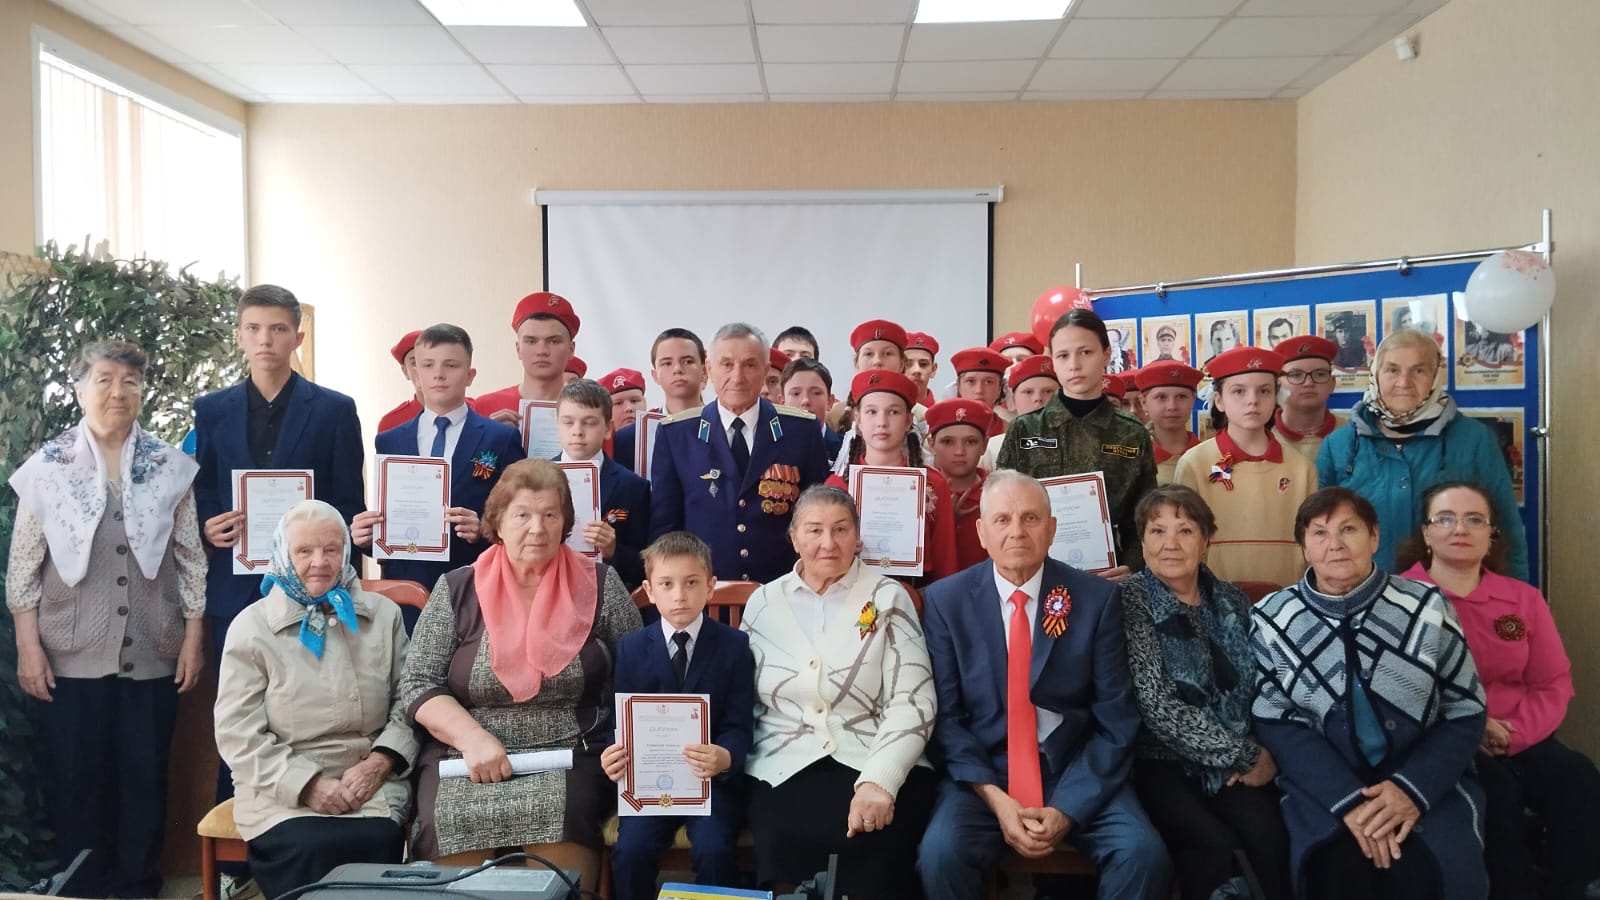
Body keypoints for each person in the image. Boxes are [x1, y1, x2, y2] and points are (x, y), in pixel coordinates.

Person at [8, 340, 206, 899]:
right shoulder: (47, 468)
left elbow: (191, 558)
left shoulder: (170, 467)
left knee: (145, 778)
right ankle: (83, 889)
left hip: (155, 646)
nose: (118, 392)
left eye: (130, 381)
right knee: (77, 781)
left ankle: (139, 887)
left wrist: (192, 638)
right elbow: (23, 566)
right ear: (80, 390)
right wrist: (28, 647)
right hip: (67, 653)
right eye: (104, 380)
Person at [918, 470, 1170, 900]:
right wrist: (995, 799)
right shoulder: (946, 601)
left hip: (1075, 768)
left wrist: (1067, 809)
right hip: (985, 775)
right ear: (981, 533)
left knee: (1143, 855)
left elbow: (1115, 717)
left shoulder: (1095, 599)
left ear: (1052, 529)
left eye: (1031, 518)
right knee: (941, 855)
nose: (1017, 531)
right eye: (1002, 520)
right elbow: (948, 720)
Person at [396, 458, 644, 887]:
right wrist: (472, 739)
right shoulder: (457, 588)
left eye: (550, 515)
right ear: (497, 521)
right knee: (447, 820)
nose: (537, 529)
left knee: (565, 820)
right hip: (464, 756)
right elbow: (418, 682)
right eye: (522, 515)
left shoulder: (601, 584)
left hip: (571, 753)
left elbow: (641, 669)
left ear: (565, 522)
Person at [193, 284, 367, 860]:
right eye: (253, 328)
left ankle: (322, 832)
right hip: (236, 585)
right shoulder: (211, 410)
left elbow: (347, 503)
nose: (265, 339)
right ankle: (243, 845)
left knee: (312, 703)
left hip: (313, 590)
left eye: (277, 329)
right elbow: (203, 491)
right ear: (239, 336)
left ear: (298, 336)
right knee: (240, 711)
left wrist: (342, 584)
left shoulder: (334, 409)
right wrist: (210, 524)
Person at [1251, 487, 1487, 900]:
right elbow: (1276, 720)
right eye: (1319, 533)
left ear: (1374, 537)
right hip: (1325, 787)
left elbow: (1466, 709)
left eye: (1349, 529)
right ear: (1304, 546)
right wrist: (1349, 802)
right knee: (1335, 872)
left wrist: (1410, 791)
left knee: (1424, 873)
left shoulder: (1426, 606)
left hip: (1423, 779)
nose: (1335, 544)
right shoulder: (1273, 618)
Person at [1396, 482, 1600, 900]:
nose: (1460, 529)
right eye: (1445, 519)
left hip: (1518, 735)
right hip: (1441, 740)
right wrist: (1472, 728)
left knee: (1578, 779)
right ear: (1426, 532)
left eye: (1474, 519)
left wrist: (1515, 735)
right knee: (1498, 802)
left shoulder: (1522, 599)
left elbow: (1552, 682)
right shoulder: (1397, 599)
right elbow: (1398, 688)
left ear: (1492, 534)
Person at [214, 500, 417, 900]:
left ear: (346, 552)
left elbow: (409, 703)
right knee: (309, 846)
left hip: (368, 782)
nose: (320, 562)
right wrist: (306, 785)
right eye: (304, 551)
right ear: (282, 555)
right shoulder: (251, 627)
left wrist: (380, 763)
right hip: (281, 790)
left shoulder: (384, 616)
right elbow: (238, 732)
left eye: (331, 549)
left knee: (376, 840)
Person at [742, 486, 937, 898]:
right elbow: (742, 696)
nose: (828, 543)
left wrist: (881, 781)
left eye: (841, 529)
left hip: (872, 753)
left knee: (877, 837)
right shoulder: (763, 602)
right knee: (783, 833)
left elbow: (914, 701)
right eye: (814, 530)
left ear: (858, 537)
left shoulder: (887, 597)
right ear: (794, 538)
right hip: (783, 762)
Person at [1121, 486, 1291, 900]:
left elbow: (1264, 682)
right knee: (1210, 844)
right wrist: (1244, 755)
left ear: (1206, 540)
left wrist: (1253, 751)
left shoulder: (1231, 599)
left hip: (1235, 751)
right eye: (1157, 531)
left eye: (1185, 530)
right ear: (1142, 543)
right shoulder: (1130, 600)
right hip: (1161, 760)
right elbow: (1157, 706)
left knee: (1268, 832)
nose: (1171, 543)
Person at [601, 532, 754, 900]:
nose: (679, 595)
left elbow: (739, 723)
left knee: (714, 848)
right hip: (648, 787)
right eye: (667, 584)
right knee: (631, 850)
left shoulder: (734, 646)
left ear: (710, 586)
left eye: (691, 583)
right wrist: (613, 752)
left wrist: (725, 756)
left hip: (710, 785)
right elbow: (621, 720)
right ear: (649, 590)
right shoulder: (632, 648)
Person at [1317, 327, 1528, 578]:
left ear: (1435, 376)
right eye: (1392, 370)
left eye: (1418, 371)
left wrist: (1514, 599)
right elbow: (1318, 532)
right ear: (1375, 374)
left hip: (1452, 594)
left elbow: (1507, 532)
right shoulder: (1339, 444)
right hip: (1363, 591)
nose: (1404, 383)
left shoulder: (1475, 440)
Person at [355, 324, 527, 629]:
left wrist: (485, 530)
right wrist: (367, 537)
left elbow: (521, 515)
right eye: (428, 365)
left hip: (476, 589)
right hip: (408, 591)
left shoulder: (500, 439)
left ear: (470, 375)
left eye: (451, 365)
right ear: (415, 373)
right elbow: (388, 522)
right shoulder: (390, 440)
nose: (438, 375)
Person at [649, 323, 828, 583]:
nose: (737, 376)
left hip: (783, 590)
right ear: (709, 369)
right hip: (705, 592)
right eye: (726, 365)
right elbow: (665, 530)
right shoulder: (677, 434)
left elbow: (819, 516)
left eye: (749, 365)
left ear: (766, 370)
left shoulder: (800, 430)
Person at [999, 309, 1155, 576]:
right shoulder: (1025, 430)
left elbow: (1145, 515)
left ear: (1106, 354)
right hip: (1035, 572)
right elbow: (1001, 508)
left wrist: (1132, 566)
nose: (1074, 364)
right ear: (1052, 361)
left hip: (1110, 576)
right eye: (1063, 355)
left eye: (1085, 352)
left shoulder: (1131, 433)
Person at [1175, 346, 1317, 588]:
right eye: (1238, 391)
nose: (1252, 400)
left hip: (1287, 599)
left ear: (1276, 397)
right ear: (1219, 400)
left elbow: (1312, 542)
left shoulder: (1301, 468)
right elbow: (1182, 540)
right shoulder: (1194, 463)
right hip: (1214, 597)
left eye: (1264, 391)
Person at [826, 370, 959, 581]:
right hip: (851, 591)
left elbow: (946, 566)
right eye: (871, 412)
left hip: (917, 594)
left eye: (893, 412)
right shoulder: (836, 487)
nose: (882, 422)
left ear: (908, 421)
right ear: (857, 419)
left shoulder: (933, 483)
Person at [552, 379, 652, 590]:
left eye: (589, 423)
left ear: (608, 428)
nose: (577, 431)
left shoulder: (633, 487)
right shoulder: (533, 478)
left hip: (605, 595)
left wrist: (613, 550)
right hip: (547, 589)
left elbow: (645, 564)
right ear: (557, 425)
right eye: (568, 422)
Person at [473, 291, 581, 424]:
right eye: (531, 341)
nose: (542, 351)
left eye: (554, 341)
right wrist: (488, 434)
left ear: (571, 350)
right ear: (518, 349)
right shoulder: (484, 407)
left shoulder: (590, 411)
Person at [612, 327, 708, 475]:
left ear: (704, 370)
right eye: (667, 363)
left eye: (688, 361)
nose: (677, 369)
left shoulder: (725, 427)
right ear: (655, 375)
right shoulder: (630, 439)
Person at [926, 398, 993, 572]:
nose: (959, 451)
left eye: (970, 441)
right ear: (931, 444)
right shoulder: (918, 493)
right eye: (948, 442)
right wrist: (945, 521)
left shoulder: (999, 494)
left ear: (984, 445)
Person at [980, 353, 1057, 472]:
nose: (1038, 398)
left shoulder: (1077, 440)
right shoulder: (992, 449)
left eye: (1048, 391)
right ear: (1014, 399)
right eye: (1028, 392)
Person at [1272, 336, 1340, 462]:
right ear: (1277, 385)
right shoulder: (1261, 437)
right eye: (1296, 375)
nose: (1308, 383)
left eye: (1320, 374)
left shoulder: (1352, 435)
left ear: (1332, 383)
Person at [1137, 362, 1202, 486]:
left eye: (1181, 397)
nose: (1172, 406)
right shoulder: (1133, 458)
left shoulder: (1208, 456)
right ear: (1144, 402)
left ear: (1193, 400)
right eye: (1161, 397)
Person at [781, 356, 844, 465]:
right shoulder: (769, 448)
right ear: (782, 402)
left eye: (816, 393)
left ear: (830, 401)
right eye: (796, 393)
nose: (805, 401)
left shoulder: (846, 451)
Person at [950, 347, 1010, 437]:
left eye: (988, 382)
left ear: (999, 388)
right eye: (971, 381)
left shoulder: (1013, 434)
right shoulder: (942, 433)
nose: (979, 390)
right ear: (959, 386)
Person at [376, 329, 424, 433]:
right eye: (414, 362)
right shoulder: (391, 423)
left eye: (430, 361)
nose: (423, 368)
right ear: (405, 372)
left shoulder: (463, 412)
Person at [904, 331, 940, 408]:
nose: (916, 370)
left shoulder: (943, 412)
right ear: (899, 367)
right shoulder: (887, 411)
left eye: (923, 364)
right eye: (908, 364)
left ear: (933, 370)